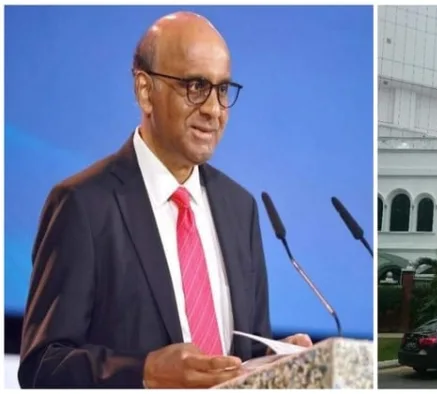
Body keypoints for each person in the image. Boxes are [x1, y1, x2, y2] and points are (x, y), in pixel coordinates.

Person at [18, 12, 313, 389]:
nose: (213, 109)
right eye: (195, 86)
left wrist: (275, 364)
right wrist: (144, 372)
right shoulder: (82, 204)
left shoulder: (240, 208)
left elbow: (242, 356)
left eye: (222, 90)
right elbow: (42, 365)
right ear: (145, 90)